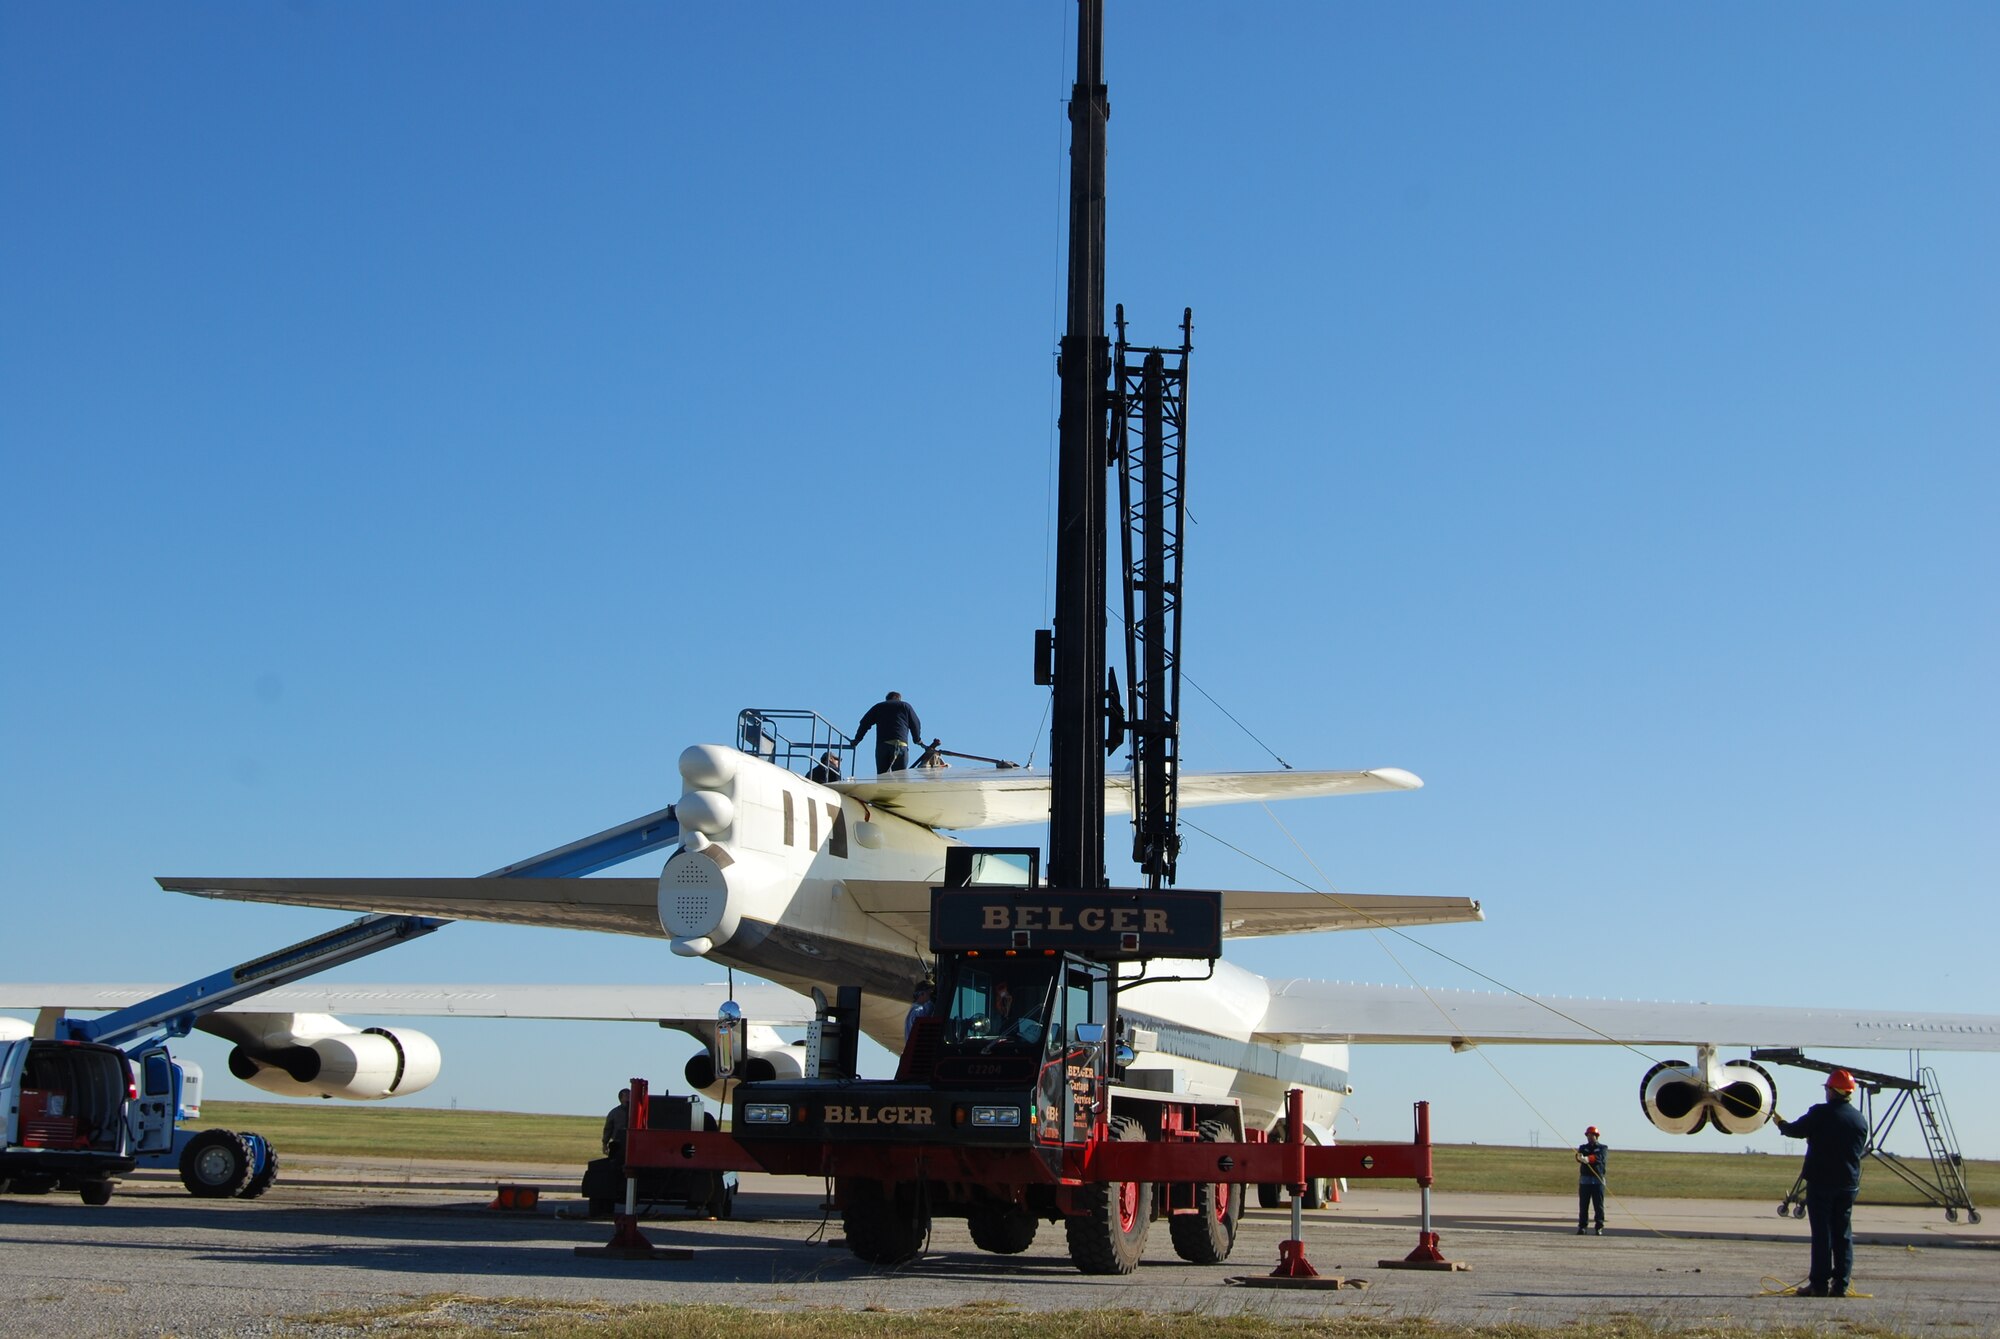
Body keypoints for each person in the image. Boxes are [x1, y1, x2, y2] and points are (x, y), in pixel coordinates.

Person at [1775, 1068, 1869, 1298]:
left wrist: (1780, 1122)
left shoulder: (1820, 1113)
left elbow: (1795, 1130)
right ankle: (1840, 1286)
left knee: (1822, 1235)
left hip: (1822, 1184)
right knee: (1843, 1234)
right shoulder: (1859, 1119)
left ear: (1831, 1091)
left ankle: (1818, 1284)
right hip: (1848, 1185)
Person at [854, 691, 923, 774]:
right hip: (900, 745)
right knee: (900, 777)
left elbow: (864, 723)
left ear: (887, 699)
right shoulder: (905, 706)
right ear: (899, 699)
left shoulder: (879, 707)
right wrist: (917, 739)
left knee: (882, 777)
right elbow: (915, 723)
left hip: (883, 746)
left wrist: (857, 739)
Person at [1575, 1124, 1608, 1234]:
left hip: (1598, 1179)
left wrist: (1588, 1159)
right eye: (1588, 1135)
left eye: (1592, 1135)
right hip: (1585, 1180)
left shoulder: (1603, 1148)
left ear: (1596, 1136)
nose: (1590, 1137)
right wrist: (1579, 1157)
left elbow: (1599, 1158)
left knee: (1598, 1205)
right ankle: (1582, 1226)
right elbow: (1579, 1156)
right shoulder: (1583, 1147)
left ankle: (1599, 1226)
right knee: (1583, 1205)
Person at [602, 1087, 632, 1159]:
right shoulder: (614, 1113)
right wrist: (605, 1144)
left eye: (630, 1096)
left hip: (634, 1144)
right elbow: (608, 1129)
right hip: (618, 1144)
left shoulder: (638, 1112)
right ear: (621, 1099)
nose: (628, 1098)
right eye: (626, 1096)